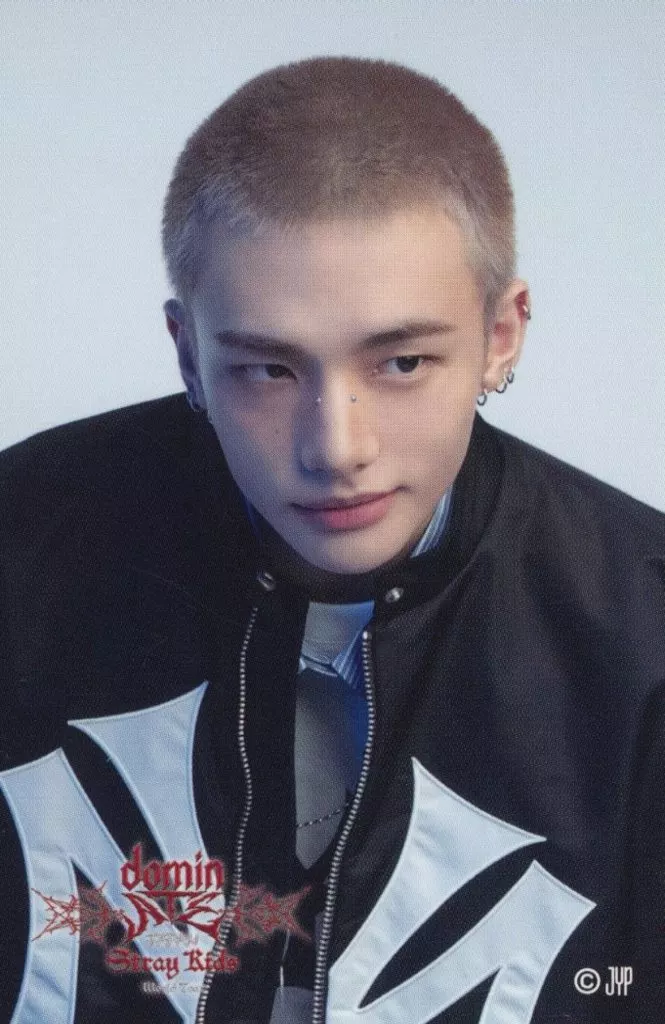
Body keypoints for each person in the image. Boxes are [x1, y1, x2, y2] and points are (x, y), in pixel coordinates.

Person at [1, 55, 663, 1024]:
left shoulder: (641, 642)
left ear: (501, 335)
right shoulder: (19, 552)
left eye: (401, 361)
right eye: (269, 370)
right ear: (188, 353)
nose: (336, 449)